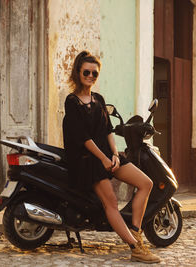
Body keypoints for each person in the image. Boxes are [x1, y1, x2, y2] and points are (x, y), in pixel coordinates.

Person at [62, 50, 160, 264]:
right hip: (87, 159)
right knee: (111, 203)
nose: (90, 76)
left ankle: (135, 231)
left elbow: (108, 129)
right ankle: (136, 249)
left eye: (94, 73)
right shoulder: (72, 101)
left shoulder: (98, 99)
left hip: (108, 155)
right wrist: (104, 159)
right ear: (78, 72)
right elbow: (83, 137)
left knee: (146, 183)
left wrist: (115, 154)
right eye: (86, 72)